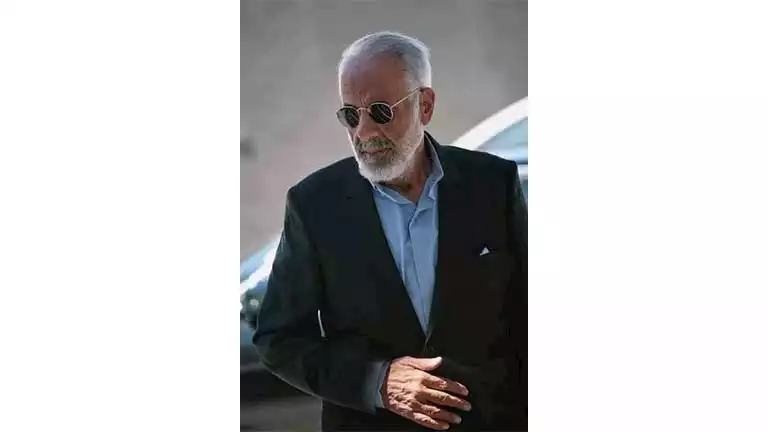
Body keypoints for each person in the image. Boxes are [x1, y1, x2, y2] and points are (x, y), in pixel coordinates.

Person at [253, 31, 527, 431]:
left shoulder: (491, 183)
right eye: (351, 115)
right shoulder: (314, 204)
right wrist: (377, 382)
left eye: (380, 111)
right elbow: (279, 340)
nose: (363, 133)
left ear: (425, 105)